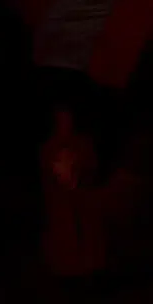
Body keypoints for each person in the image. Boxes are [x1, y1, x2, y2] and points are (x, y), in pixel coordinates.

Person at [40, 105, 105, 282]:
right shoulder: (49, 147)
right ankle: (67, 271)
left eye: (68, 119)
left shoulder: (83, 144)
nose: (65, 123)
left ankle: (89, 270)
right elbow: (47, 174)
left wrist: (79, 174)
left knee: (86, 235)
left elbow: (91, 167)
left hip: (82, 200)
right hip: (62, 204)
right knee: (65, 235)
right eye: (61, 119)